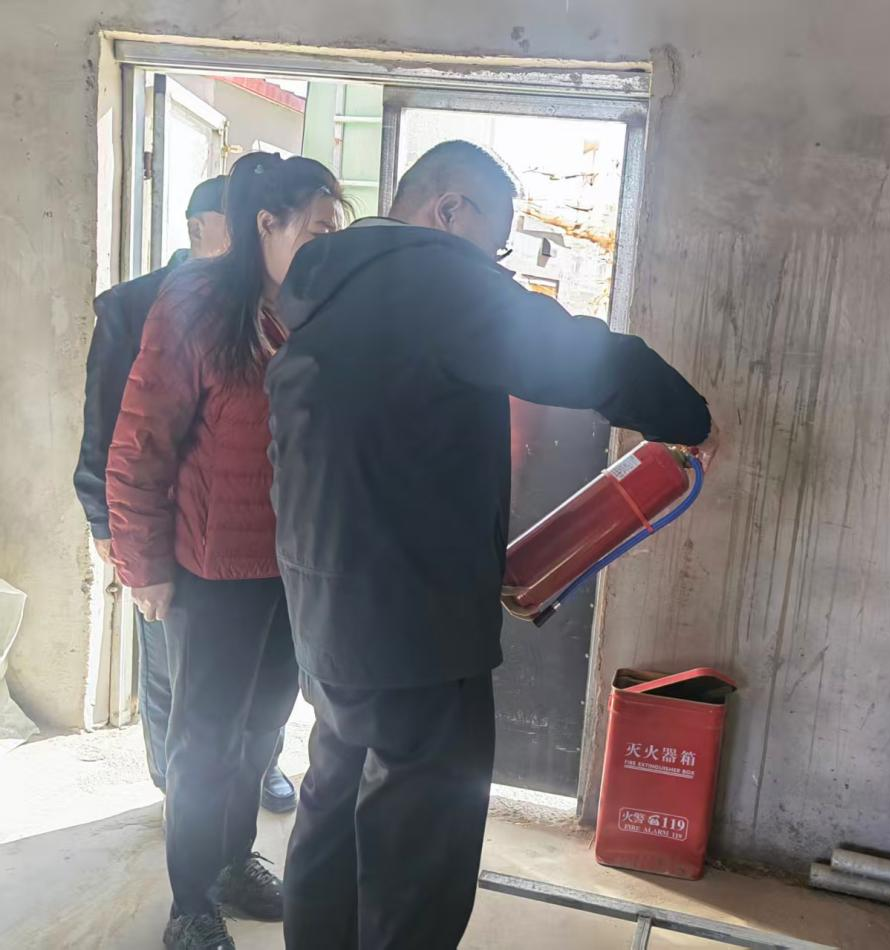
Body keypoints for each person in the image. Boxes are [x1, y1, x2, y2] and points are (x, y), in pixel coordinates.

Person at [267, 140, 715, 950]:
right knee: (422, 840)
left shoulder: (332, 286)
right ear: (449, 211)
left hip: (324, 603)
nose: (495, 267)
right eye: (496, 246)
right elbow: (575, 355)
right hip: (415, 619)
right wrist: (688, 418)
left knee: (333, 797)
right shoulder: (432, 275)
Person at [107, 153, 345, 950]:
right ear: (266, 225)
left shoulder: (320, 308)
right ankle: (190, 902)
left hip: (296, 566)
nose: (327, 245)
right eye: (316, 229)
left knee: (263, 728)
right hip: (212, 568)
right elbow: (141, 439)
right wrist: (143, 565)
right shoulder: (198, 303)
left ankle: (234, 861)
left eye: (335, 231)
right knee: (204, 741)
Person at [74, 175, 298, 813]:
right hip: (169, 529)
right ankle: (177, 793)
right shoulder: (136, 303)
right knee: (171, 675)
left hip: (244, 534)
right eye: (243, 220)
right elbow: (111, 425)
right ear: (201, 226)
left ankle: (257, 774)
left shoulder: (277, 305)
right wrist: (105, 521)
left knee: (258, 687)